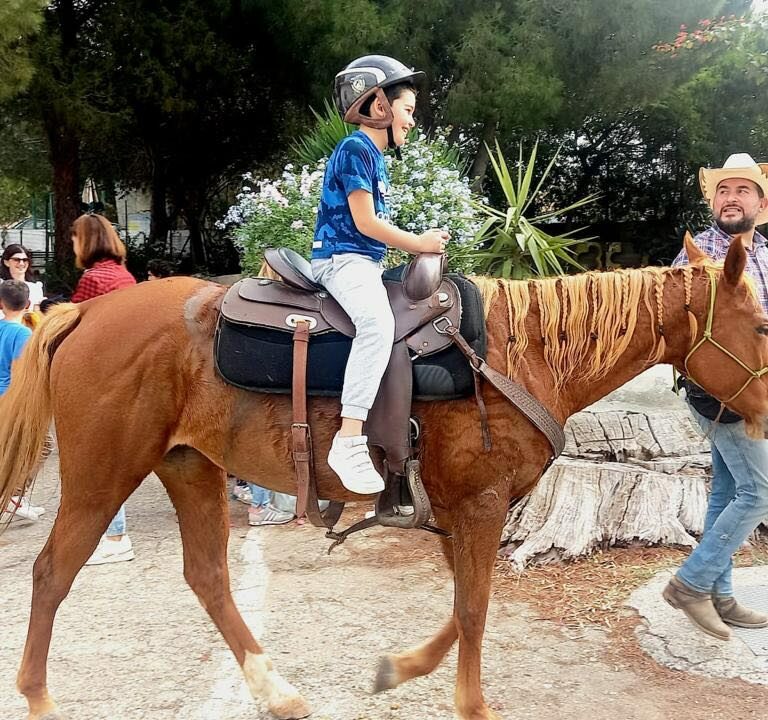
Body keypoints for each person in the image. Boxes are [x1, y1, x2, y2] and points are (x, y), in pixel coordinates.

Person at [310, 55, 449, 495]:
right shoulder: (355, 148)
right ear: (377, 107)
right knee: (376, 324)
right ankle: (349, 437)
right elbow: (366, 223)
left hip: (363, 260)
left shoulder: (374, 155)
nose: (411, 120)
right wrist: (420, 243)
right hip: (341, 258)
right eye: (407, 109)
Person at [665, 153, 768, 640]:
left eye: (742, 190)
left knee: (729, 490)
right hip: (720, 391)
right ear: (713, 201)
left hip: (759, 383)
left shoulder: (766, 254)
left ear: (760, 202)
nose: (731, 198)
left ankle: (720, 594)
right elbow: (678, 329)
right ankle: (691, 583)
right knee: (761, 490)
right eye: (723, 191)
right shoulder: (696, 255)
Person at [68, 213, 137, 564]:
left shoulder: (92, 280)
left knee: (102, 462)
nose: (72, 243)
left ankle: (115, 535)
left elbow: (74, 328)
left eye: (75, 237)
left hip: (105, 381)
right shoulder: (124, 274)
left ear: (88, 240)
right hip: (132, 377)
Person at [0, 280, 44, 521]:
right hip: (12, 397)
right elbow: (20, 370)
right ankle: (13, 496)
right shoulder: (23, 334)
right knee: (41, 444)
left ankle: (13, 497)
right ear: (28, 304)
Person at [0, 244, 45, 314]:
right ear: (6, 262)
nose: (21, 263)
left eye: (25, 260)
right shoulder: (1, 286)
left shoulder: (36, 288)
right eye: (16, 260)